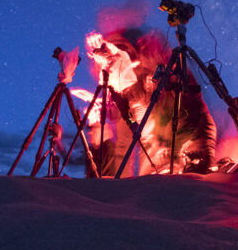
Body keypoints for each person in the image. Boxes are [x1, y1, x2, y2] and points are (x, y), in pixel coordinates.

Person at [84, 28, 216, 175]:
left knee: (192, 178)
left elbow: (190, 114)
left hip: (193, 138)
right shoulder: (131, 87)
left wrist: (175, 150)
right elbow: (126, 138)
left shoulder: (170, 75)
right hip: (158, 147)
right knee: (147, 184)